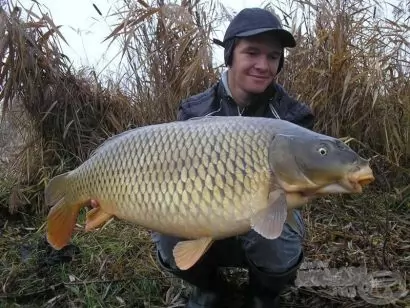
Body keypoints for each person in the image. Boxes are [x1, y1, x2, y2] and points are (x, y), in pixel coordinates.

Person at [151, 7, 315, 308]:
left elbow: (307, 179)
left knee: (276, 234)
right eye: (252, 53)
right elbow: (173, 180)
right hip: (204, 213)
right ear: (230, 55)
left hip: (265, 217)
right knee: (167, 231)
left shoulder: (293, 118)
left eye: (273, 56)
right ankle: (208, 288)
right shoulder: (195, 112)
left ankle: (262, 295)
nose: (263, 65)